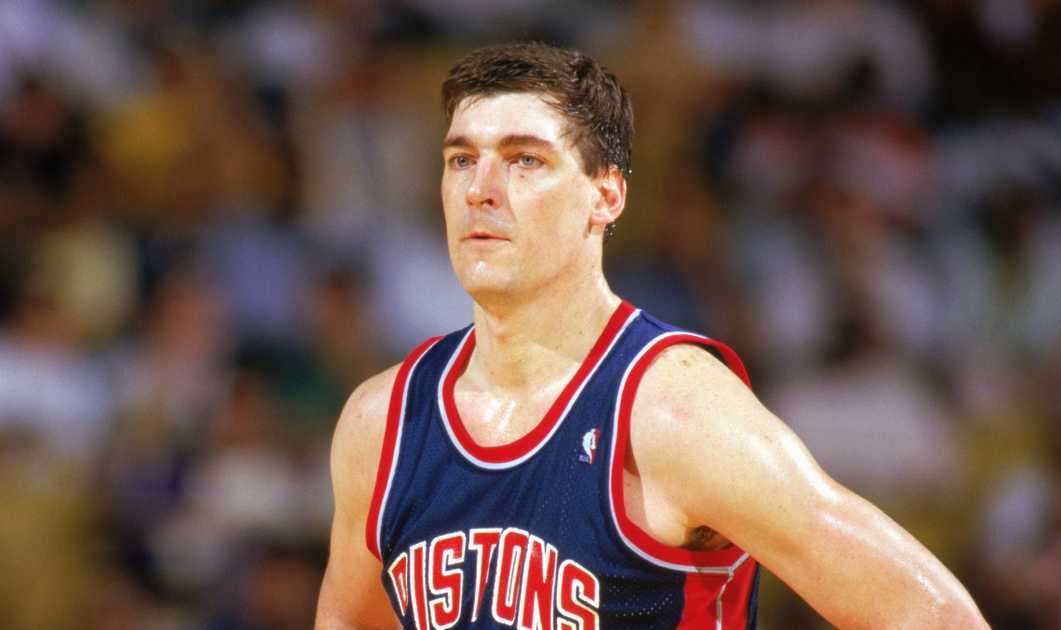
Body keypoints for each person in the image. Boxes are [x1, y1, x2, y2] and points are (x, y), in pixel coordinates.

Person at [315, 41, 989, 629]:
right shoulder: (384, 423)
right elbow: (349, 616)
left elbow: (931, 614)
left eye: (525, 160)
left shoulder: (677, 413)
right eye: (462, 159)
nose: (481, 189)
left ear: (605, 196)